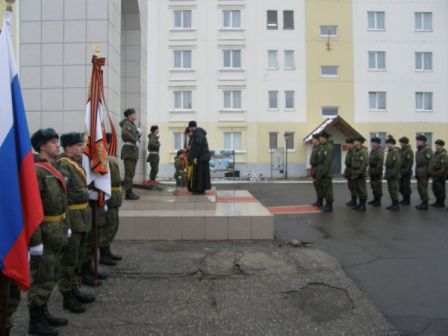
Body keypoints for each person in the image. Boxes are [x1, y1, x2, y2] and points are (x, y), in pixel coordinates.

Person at [28, 128, 69, 336]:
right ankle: (35, 322)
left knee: (50, 275)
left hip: (56, 231)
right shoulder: (36, 171)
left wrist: (66, 225)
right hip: (44, 233)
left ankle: (43, 312)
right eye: (53, 142)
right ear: (42, 146)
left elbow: (63, 202)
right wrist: (35, 241)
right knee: (41, 278)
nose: (57, 145)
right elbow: (32, 208)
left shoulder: (53, 169)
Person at [56, 133, 95, 314]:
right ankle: (67, 295)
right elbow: (62, 194)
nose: (81, 148)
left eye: (81, 144)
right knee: (69, 260)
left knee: (76, 257)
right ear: (68, 147)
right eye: (78, 145)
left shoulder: (76, 164)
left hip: (81, 216)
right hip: (72, 216)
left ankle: (74, 289)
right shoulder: (64, 165)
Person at [99, 133, 124, 265]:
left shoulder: (110, 160)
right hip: (108, 200)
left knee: (113, 226)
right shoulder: (102, 161)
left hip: (114, 199)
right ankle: (103, 254)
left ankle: (107, 251)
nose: (109, 145)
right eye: (108, 143)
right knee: (107, 227)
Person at [119, 108, 140, 200]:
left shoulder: (132, 124)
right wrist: (135, 140)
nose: (135, 116)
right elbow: (125, 134)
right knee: (129, 173)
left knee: (131, 173)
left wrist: (138, 133)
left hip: (132, 151)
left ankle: (130, 191)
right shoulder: (127, 124)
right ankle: (128, 193)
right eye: (134, 114)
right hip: (129, 151)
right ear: (129, 116)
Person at [188, 121, 211, 194]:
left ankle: (199, 190)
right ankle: (199, 189)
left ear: (192, 127)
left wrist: (195, 157)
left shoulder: (198, 134)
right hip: (202, 157)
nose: (190, 129)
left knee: (200, 174)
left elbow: (197, 147)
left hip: (201, 158)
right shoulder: (197, 134)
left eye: (190, 127)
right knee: (200, 174)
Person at [315, 131, 334, 213]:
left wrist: (323, 172)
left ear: (324, 138)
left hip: (326, 172)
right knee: (323, 189)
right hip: (320, 171)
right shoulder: (322, 147)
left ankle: (330, 206)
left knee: (327, 190)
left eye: (321, 137)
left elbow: (327, 161)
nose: (319, 139)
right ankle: (326, 204)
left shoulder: (329, 147)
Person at [415, 135, 433, 210]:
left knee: (423, 188)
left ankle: (425, 204)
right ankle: (423, 202)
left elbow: (430, 162)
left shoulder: (427, 150)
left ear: (423, 142)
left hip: (424, 171)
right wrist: (416, 172)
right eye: (417, 140)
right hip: (419, 171)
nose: (416, 142)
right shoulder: (419, 150)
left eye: (418, 141)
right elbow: (417, 163)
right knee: (420, 188)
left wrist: (428, 172)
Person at [351, 136, 369, 212]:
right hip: (355, 173)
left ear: (359, 142)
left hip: (360, 173)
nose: (354, 143)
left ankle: (363, 205)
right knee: (357, 189)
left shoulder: (363, 151)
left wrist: (358, 173)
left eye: (355, 141)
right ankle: (360, 204)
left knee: (362, 190)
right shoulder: (355, 150)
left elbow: (364, 164)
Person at [384, 137, 401, 211]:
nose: (388, 145)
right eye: (387, 143)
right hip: (390, 173)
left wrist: (392, 174)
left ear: (393, 144)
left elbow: (397, 165)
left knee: (394, 190)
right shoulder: (390, 152)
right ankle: (393, 204)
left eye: (389, 143)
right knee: (391, 190)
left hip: (393, 175)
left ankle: (396, 205)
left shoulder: (395, 152)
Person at [430, 139, 447, 208]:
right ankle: (437, 201)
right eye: (436, 145)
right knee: (435, 188)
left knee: (440, 189)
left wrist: (441, 173)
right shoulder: (436, 153)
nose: (436, 146)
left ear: (441, 146)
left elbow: (444, 165)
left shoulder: (443, 154)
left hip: (440, 173)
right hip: (435, 173)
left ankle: (441, 202)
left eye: (438, 145)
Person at [368, 137, 384, 207]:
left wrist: (376, 172)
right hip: (372, 170)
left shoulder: (379, 151)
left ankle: (378, 201)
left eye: (373, 143)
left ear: (377, 143)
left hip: (376, 171)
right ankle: (375, 199)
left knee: (377, 187)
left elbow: (379, 163)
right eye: (371, 143)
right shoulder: (373, 150)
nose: (371, 144)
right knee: (373, 186)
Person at [398, 137, 414, 206]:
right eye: (400, 143)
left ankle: (407, 200)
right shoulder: (401, 150)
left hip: (406, 172)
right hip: (401, 171)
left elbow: (410, 162)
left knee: (406, 186)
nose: (400, 144)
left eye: (401, 143)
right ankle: (404, 199)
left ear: (405, 143)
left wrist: (406, 170)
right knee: (400, 186)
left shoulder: (408, 151)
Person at [343, 138, 357, 208]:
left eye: (349, 144)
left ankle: (355, 201)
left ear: (352, 144)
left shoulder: (354, 151)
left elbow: (354, 164)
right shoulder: (349, 151)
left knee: (353, 187)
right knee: (351, 187)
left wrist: (353, 173)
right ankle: (353, 200)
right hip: (349, 170)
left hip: (352, 171)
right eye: (347, 144)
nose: (348, 145)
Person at [310, 134, 323, 207]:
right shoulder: (314, 148)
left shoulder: (320, 148)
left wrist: (318, 172)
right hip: (314, 168)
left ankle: (320, 201)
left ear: (317, 140)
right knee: (316, 186)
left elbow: (320, 161)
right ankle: (318, 201)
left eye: (313, 139)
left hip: (318, 169)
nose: (312, 140)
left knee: (320, 186)